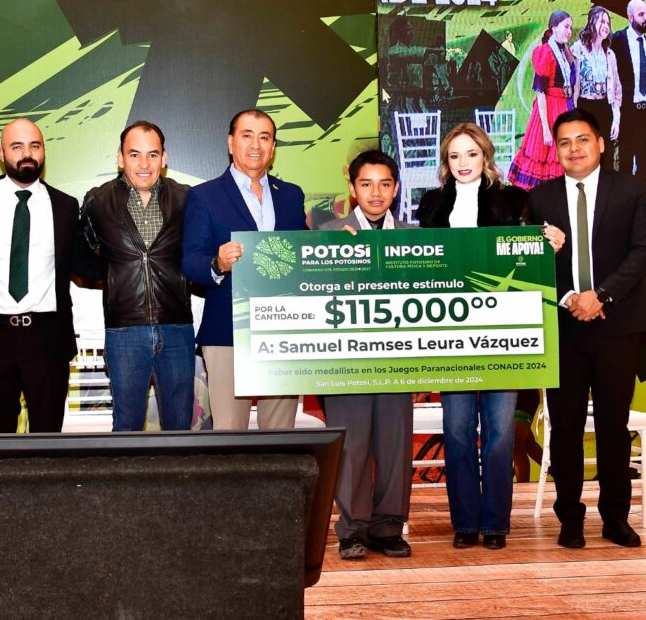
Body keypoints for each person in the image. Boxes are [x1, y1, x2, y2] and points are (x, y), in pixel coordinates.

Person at [416, 122, 561, 550]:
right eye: (455, 155)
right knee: (458, 433)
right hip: (449, 335)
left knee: (499, 434)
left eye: (471, 153)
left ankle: (496, 523)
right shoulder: (431, 205)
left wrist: (550, 243)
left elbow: (531, 263)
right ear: (446, 161)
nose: (463, 163)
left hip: (503, 334)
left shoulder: (515, 200)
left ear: (486, 156)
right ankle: (464, 523)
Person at [527, 108, 646, 549]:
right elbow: (531, 260)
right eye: (564, 142)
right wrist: (570, 297)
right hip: (564, 327)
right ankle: (569, 517)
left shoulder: (632, 189)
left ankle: (615, 518)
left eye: (582, 139)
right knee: (565, 427)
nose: (574, 149)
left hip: (619, 324)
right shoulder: (540, 199)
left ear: (601, 143)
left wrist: (600, 295)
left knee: (612, 425)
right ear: (556, 150)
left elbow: (643, 252)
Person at [0, 118, 97, 434]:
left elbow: (85, 265)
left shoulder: (65, 206)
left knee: (47, 443)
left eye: (35, 146)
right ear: (1, 153)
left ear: (43, 151)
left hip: (47, 338)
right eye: (17, 146)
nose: (27, 154)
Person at [182, 109, 307, 430]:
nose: (256, 144)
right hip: (227, 329)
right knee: (229, 434)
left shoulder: (291, 195)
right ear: (230, 142)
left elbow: (306, 253)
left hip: (285, 328)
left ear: (273, 147)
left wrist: (339, 245)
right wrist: (217, 263)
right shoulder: (204, 196)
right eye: (247, 135)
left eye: (264, 137)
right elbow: (191, 260)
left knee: (280, 435)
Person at [321, 149, 414, 561]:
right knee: (352, 446)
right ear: (352, 189)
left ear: (395, 189)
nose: (376, 193)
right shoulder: (327, 233)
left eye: (384, 184)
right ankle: (352, 529)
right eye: (366, 184)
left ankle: (389, 527)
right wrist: (334, 257)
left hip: (398, 358)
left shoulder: (414, 237)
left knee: (395, 445)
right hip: (346, 360)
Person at [80, 121, 194, 431]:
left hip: (177, 328)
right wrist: (114, 277)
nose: (144, 164)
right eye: (134, 154)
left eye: (152, 154)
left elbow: (198, 254)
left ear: (164, 158)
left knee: (180, 432)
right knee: (126, 431)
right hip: (124, 332)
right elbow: (81, 256)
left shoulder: (187, 199)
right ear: (120, 158)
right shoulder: (97, 201)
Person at [509, 11, 575, 190]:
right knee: (545, 154)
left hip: (564, 106)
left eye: (570, 27)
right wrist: (546, 127)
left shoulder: (563, 51)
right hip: (549, 109)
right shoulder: (545, 52)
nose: (569, 31)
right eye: (565, 26)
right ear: (554, 27)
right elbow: (540, 92)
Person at [611, 0, 646, 182]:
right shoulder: (618, 41)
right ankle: (625, 200)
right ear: (630, 17)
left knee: (645, 164)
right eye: (641, 15)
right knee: (625, 162)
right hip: (627, 113)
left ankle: (643, 200)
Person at [571, 5, 622, 171]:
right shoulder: (577, 50)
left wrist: (616, 118)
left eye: (608, 22)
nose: (606, 26)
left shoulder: (610, 55)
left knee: (604, 156)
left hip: (604, 107)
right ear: (592, 22)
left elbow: (617, 90)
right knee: (584, 156)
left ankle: (604, 187)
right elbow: (570, 83)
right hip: (584, 107)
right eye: (602, 21)